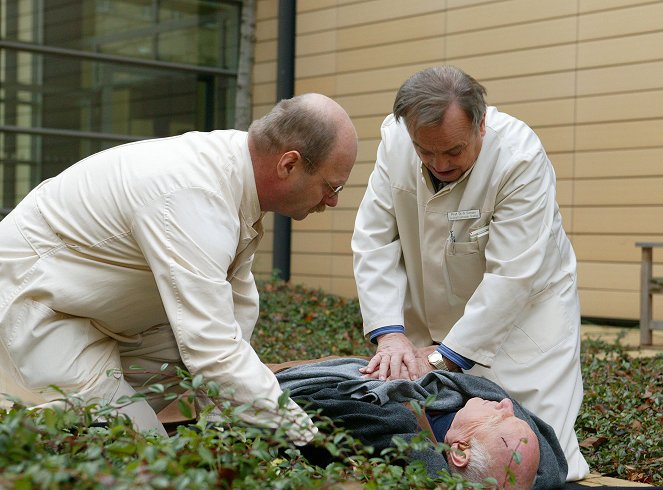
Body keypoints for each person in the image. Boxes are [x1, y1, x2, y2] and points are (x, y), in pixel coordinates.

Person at [0, 93, 357, 442]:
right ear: (289, 164)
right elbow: (213, 350)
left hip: (90, 311)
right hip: (35, 310)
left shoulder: (235, 171)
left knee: (186, 375)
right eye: (331, 185)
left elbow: (232, 312)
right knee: (141, 446)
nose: (334, 200)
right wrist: (310, 438)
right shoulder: (194, 197)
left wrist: (223, 419)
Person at [351, 65, 589, 480]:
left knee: (532, 452)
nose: (438, 163)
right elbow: (375, 240)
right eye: (425, 151)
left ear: (481, 126)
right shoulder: (394, 142)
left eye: (453, 151)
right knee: (437, 443)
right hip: (429, 308)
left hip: (524, 316)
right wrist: (390, 333)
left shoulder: (519, 158)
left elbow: (512, 275)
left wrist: (445, 356)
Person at [273, 357, 567, 489]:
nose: (506, 405)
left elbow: (305, 406)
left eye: (500, 419)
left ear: (460, 452)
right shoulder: (503, 465)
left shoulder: (393, 427)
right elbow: (552, 466)